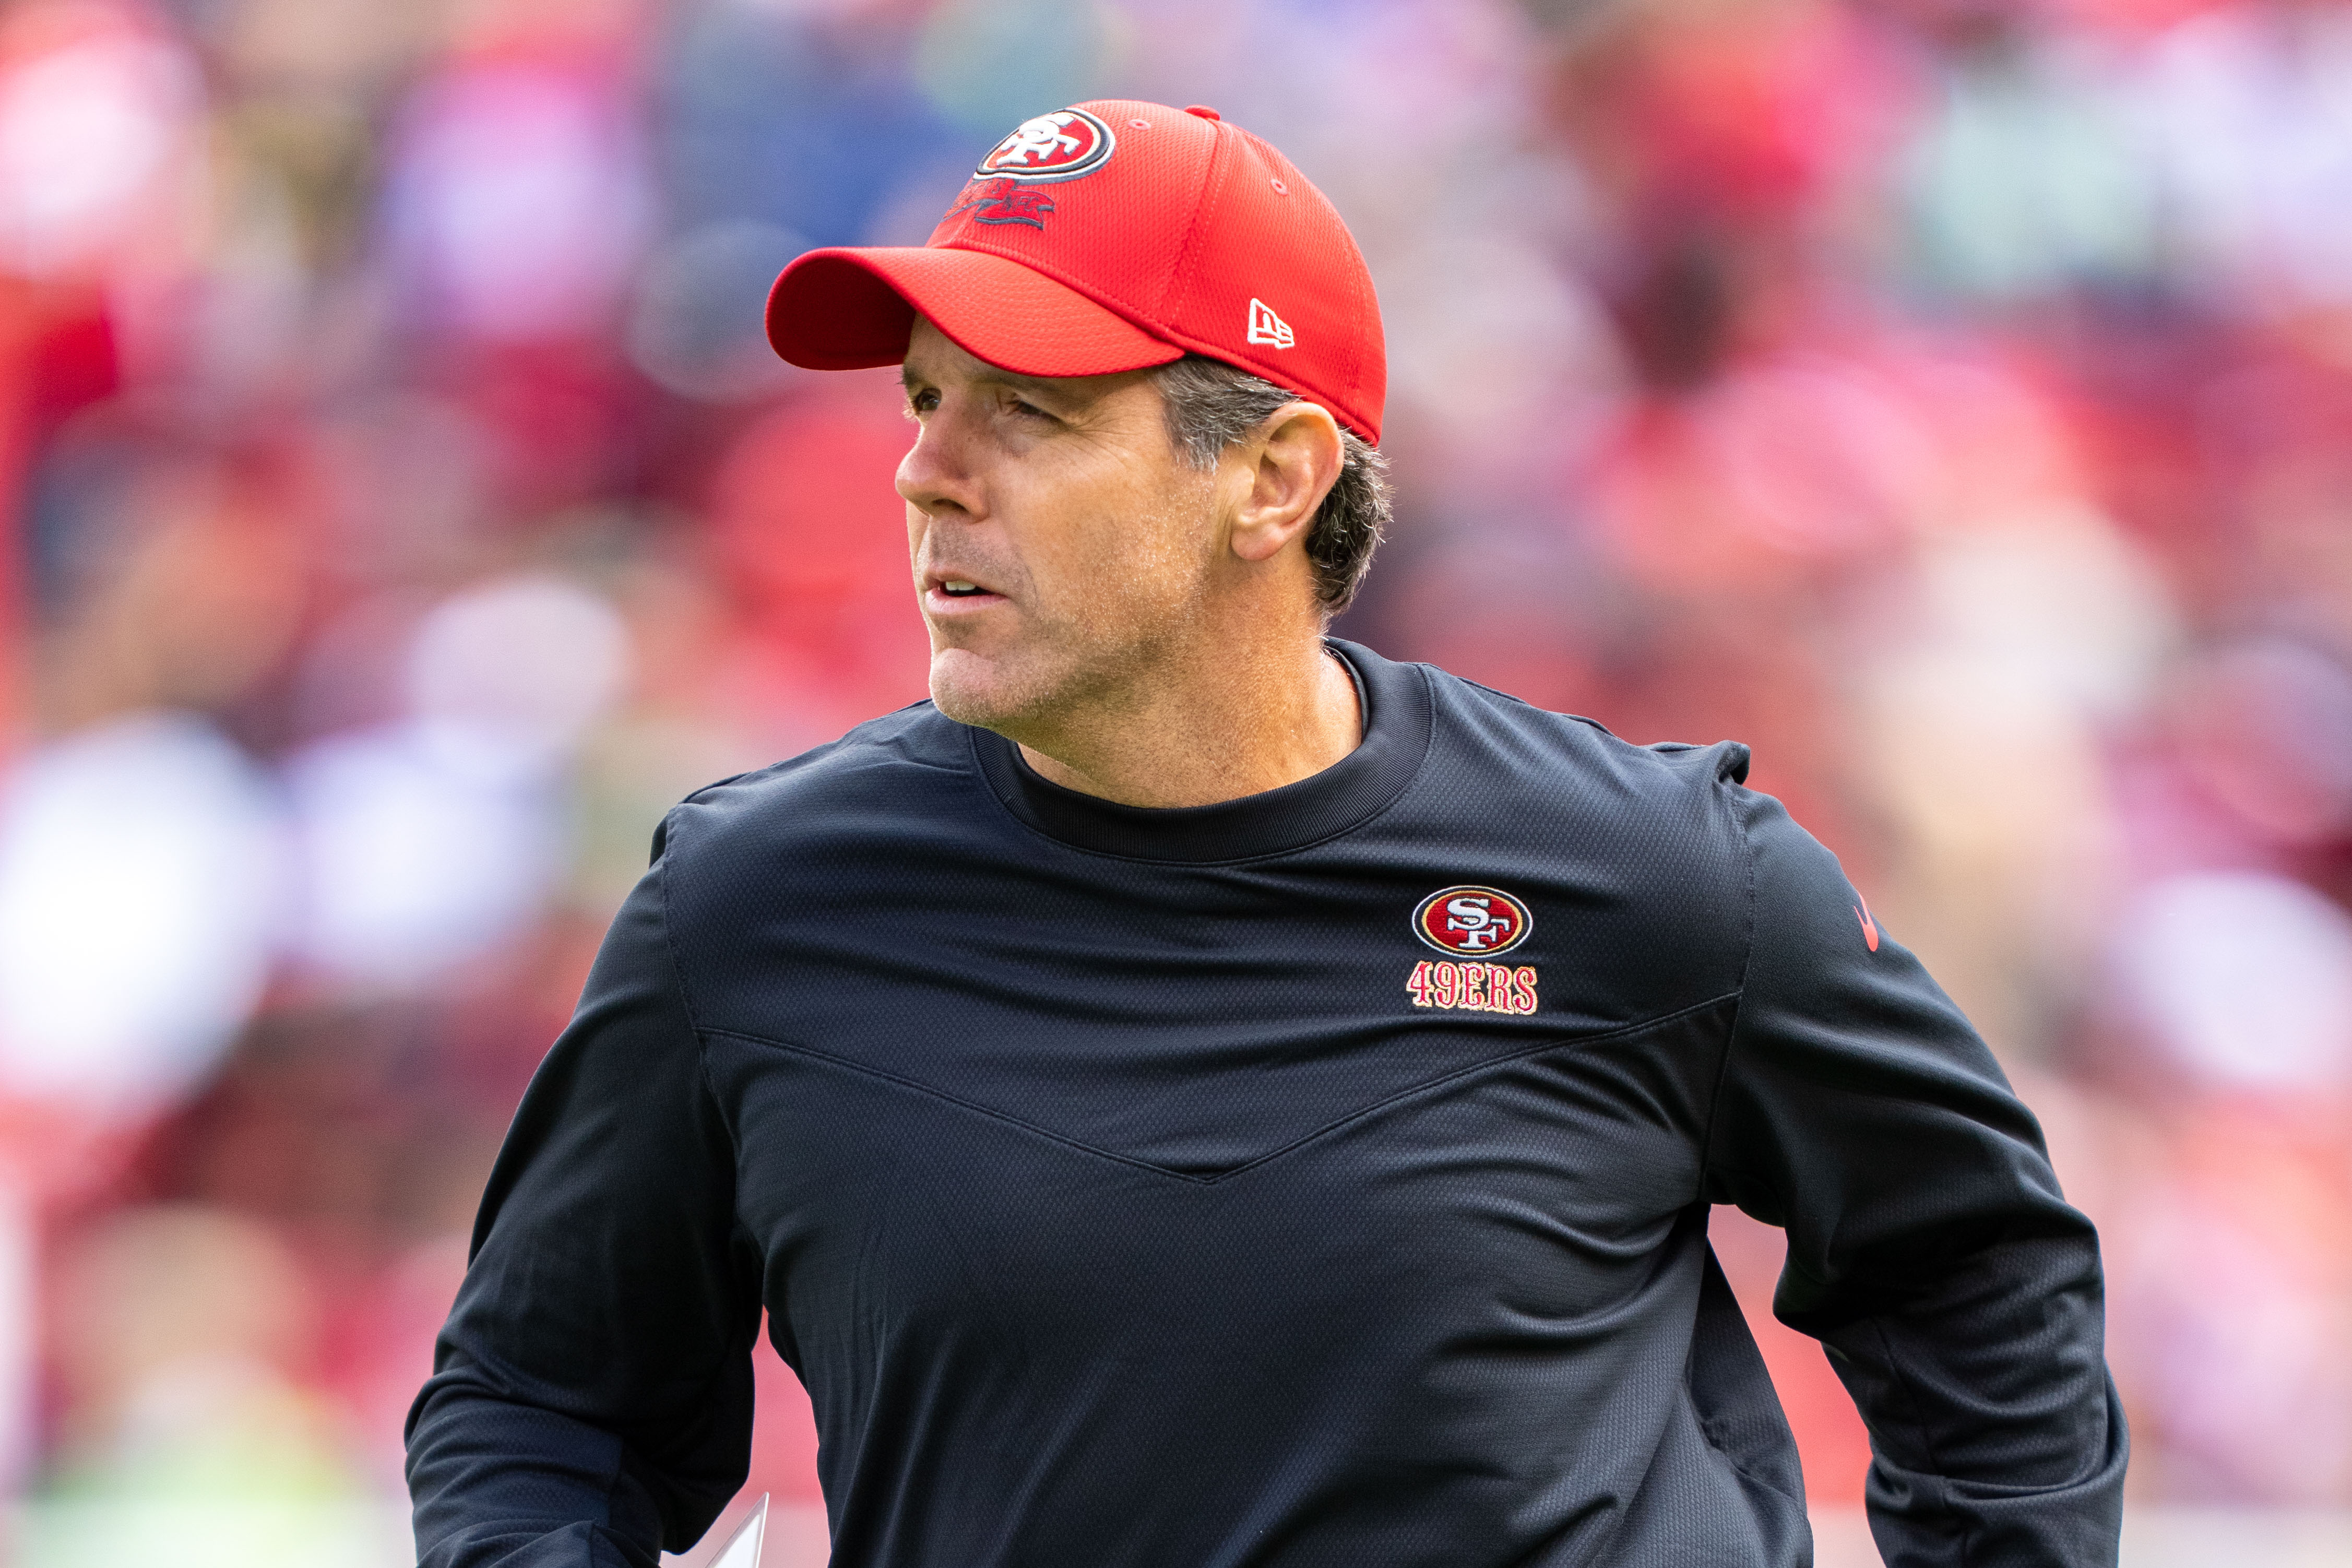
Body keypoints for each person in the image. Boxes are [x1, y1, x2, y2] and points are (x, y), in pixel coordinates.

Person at [406, 100, 2127, 1567]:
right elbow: (540, 1402)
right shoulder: (752, 905)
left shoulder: (1661, 878)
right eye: (924, 400)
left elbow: (1972, 1263)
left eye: (1032, 410)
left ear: (1276, 476)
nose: (928, 471)